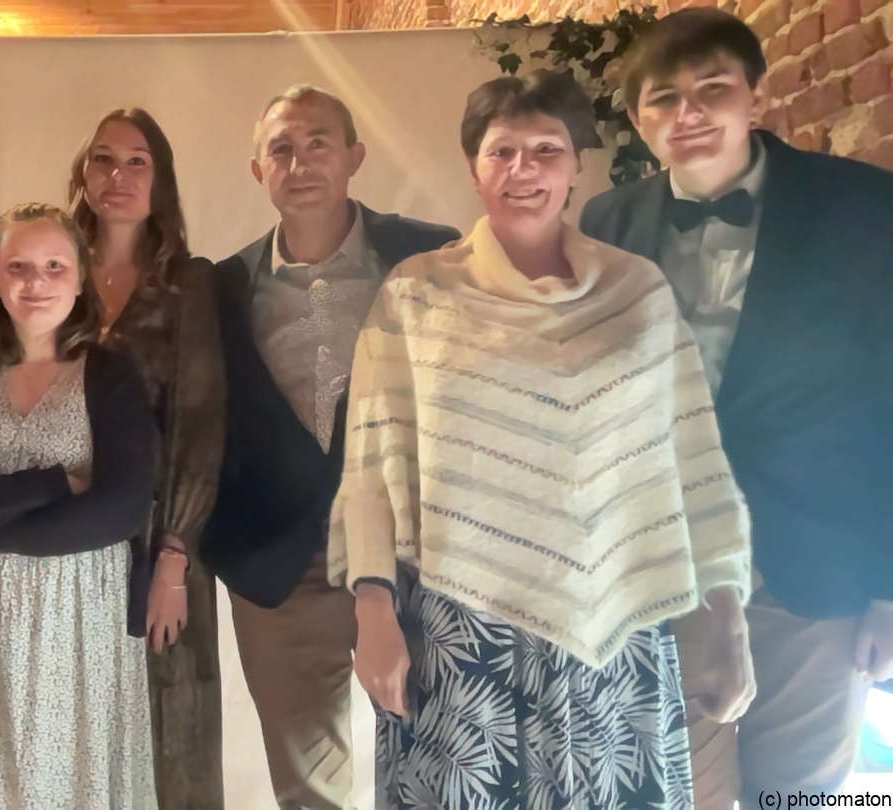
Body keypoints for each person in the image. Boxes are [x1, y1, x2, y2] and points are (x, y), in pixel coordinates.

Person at [335, 69, 755, 807]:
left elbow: (694, 460)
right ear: (474, 170)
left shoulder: (638, 294)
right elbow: (372, 465)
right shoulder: (416, 295)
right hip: (461, 629)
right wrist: (372, 609)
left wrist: (728, 619)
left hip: (618, 624)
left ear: (576, 167)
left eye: (546, 150)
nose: (522, 169)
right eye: (501, 151)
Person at [580, 8, 893, 804]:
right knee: (679, 790)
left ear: (757, 95)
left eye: (711, 88)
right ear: (639, 120)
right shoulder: (608, 224)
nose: (687, 112)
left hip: (814, 567)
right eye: (663, 97)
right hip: (668, 568)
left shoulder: (865, 207)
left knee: (799, 792)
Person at [198, 84, 459, 809]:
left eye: (318, 142)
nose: (300, 161)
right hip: (280, 565)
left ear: (354, 156)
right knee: (309, 790)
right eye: (280, 148)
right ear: (258, 170)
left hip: (412, 555)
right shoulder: (221, 285)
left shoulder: (431, 253)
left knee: (440, 765)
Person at [0, 203, 159, 809]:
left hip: (84, 618)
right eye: (17, 266)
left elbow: (121, 509)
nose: (36, 282)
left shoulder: (112, 374)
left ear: (80, 276)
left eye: (54, 266)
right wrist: (52, 484)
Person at [69, 107, 226, 809]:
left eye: (137, 161)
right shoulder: (53, 269)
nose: (118, 174)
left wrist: (174, 558)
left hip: (159, 540)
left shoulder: (187, 283)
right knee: (75, 724)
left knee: (170, 731)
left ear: (160, 179)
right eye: (104, 158)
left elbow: (201, 423)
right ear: (83, 172)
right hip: (64, 535)